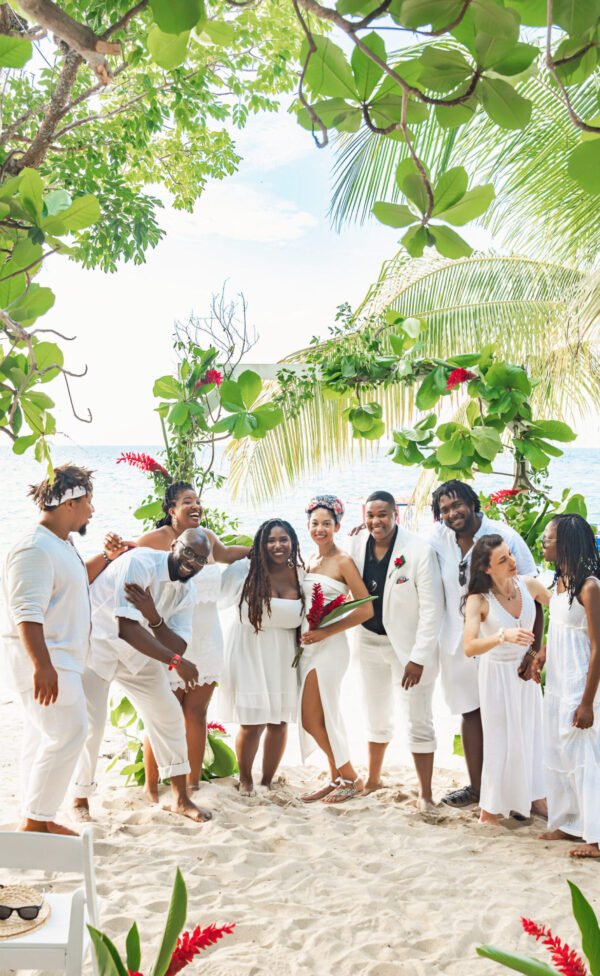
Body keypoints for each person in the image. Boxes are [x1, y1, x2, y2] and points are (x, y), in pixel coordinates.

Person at [102, 481, 249, 796]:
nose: (195, 506)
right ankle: (152, 787)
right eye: (187, 501)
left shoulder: (206, 538)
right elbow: (122, 566)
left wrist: (261, 549)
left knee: (197, 714)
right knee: (162, 713)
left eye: (197, 500)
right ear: (171, 510)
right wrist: (111, 549)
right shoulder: (152, 541)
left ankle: (193, 785)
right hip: (164, 638)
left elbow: (226, 554)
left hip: (206, 637)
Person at [71, 528, 212, 823]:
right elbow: (126, 628)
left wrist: (154, 617)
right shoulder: (140, 563)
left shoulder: (188, 590)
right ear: (174, 545)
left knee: (169, 714)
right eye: (188, 552)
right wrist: (174, 658)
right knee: (92, 726)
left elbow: (179, 643)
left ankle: (180, 799)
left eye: (200, 559)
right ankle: (80, 797)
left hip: (142, 654)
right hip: (98, 644)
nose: (192, 562)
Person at [428, 480, 540, 809]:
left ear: (473, 503)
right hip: (459, 641)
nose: (452, 513)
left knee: (511, 715)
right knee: (470, 712)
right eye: (445, 509)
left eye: (457, 505)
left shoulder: (503, 535)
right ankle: (479, 789)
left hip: (505, 645)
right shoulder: (437, 539)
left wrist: (534, 649)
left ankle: (524, 792)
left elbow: (533, 591)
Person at [2, 464, 95, 835]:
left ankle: (34, 813)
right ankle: (37, 820)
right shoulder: (34, 549)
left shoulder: (60, 545)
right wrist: (42, 665)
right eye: (88, 501)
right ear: (69, 503)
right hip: (46, 659)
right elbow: (26, 611)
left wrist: (107, 558)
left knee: (43, 737)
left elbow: (70, 586)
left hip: (60, 657)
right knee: (70, 733)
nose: (92, 509)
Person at [349, 490, 444, 812]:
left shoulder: (418, 551)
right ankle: (373, 778)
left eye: (382, 515)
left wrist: (418, 659)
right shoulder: (358, 543)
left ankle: (426, 792)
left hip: (407, 648)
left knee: (418, 718)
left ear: (395, 515)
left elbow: (433, 610)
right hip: (367, 641)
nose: (376, 521)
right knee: (375, 713)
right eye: (371, 515)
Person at [463, 535, 548, 824]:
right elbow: (469, 646)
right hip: (496, 675)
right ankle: (491, 809)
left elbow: (560, 611)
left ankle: (535, 797)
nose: (513, 562)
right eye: (503, 560)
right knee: (500, 740)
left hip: (526, 674)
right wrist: (502, 636)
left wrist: (538, 651)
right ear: (486, 569)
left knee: (532, 733)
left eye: (510, 555)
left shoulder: (530, 585)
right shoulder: (479, 600)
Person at [219, 519, 304, 797]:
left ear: (293, 542)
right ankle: (245, 779)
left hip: (283, 655)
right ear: (260, 544)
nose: (277, 545)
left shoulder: (302, 574)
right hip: (249, 651)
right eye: (270, 540)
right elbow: (211, 596)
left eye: (283, 539)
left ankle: (267, 780)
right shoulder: (245, 570)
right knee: (252, 721)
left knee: (279, 722)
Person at [298, 495, 373, 804]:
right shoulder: (309, 561)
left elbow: (366, 609)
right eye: (315, 523)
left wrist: (326, 631)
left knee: (311, 719)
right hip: (308, 646)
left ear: (337, 526)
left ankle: (352, 777)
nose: (320, 529)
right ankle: (336, 778)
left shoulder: (343, 561)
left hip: (330, 648)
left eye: (326, 524)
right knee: (325, 715)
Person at [535, 514, 600, 859]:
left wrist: (588, 701)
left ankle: (596, 835)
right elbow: (558, 627)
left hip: (580, 683)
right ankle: (569, 822)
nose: (544, 543)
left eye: (549, 538)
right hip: (559, 681)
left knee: (584, 756)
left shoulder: (589, 587)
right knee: (559, 751)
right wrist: (541, 655)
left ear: (567, 544)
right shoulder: (559, 582)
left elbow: (597, 646)